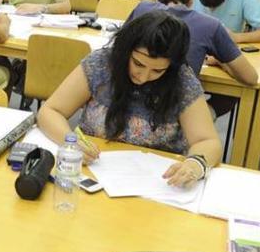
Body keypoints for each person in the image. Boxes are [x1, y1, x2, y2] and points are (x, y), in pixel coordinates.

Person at [36, 11, 222, 187]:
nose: (143, 76)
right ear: (126, 50)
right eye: (138, 64)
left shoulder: (182, 81)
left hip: (159, 182)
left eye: (157, 70)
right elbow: (50, 111)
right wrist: (70, 142)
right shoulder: (101, 65)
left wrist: (195, 164)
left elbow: (208, 141)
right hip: (93, 173)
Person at [128, 0, 258, 85]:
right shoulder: (210, 25)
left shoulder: (142, 7)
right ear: (192, 0)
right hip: (176, 106)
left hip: (129, 98)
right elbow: (251, 78)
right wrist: (220, 62)